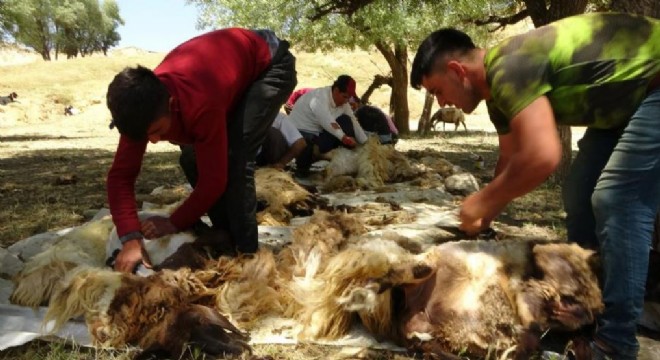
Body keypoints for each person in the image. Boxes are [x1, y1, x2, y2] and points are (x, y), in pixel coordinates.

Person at [411, 12, 660, 360]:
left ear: (457, 70)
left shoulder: (508, 67)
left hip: (653, 84)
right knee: (579, 193)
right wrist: (484, 217)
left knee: (617, 199)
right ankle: (585, 310)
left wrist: (483, 201)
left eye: (438, 91)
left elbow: (542, 156)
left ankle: (617, 342)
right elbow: (510, 161)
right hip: (625, 102)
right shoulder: (497, 98)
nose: (440, 103)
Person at [106, 28, 297, 273]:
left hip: (270, 65)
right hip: (225, 76)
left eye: (158, 131)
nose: (152, 141)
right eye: (145, 136)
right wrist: (130, 239)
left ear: (172, 106)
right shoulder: (137, 112)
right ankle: (225, 236)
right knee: (190, 157)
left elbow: (214, 180)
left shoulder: (199, 103)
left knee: (236, 156)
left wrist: (175, 222)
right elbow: (120, 177)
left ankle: (247, 257)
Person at [287, 75, 368, 177]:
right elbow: (327, 121)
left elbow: (354, 122)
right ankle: (307, 164)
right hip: (302, 133)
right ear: (336, 90)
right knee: (306, 147)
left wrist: (366, 143)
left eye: (348, 98)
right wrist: (343, 138)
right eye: (344, 97)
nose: (346, 101)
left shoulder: (344, 104)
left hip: (320, 134)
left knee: (346, 121)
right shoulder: (319, 98)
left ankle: (328, 154)